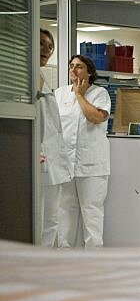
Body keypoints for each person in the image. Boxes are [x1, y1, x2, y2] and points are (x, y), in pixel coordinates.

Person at [54, 54, 111, 248]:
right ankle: (65, 260)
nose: (73, 69)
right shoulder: (60, 94)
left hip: (92, 167)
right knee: (64, 213)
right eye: (71, 66)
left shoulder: (100, 93)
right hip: (64, 165)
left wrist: (79, 94)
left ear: (89, 72)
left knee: (92, 213)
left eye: (79, 66)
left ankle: (93, 263)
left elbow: (96, 117)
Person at [37, 29, 71, 247]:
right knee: (39, 217)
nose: (46, 50)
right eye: (41, 44)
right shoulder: (22, 76)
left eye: (50, 47)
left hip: (51, 160)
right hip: (38, 158)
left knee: (51, 218)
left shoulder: (41, 76)